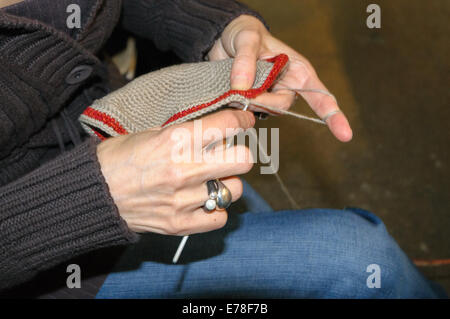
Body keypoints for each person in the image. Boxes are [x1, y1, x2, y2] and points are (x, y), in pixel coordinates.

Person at [0, 0, 444, 298]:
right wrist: (91, 200)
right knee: (361, 258)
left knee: (259, 222)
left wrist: (221, 27)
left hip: (128, 142)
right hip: (48, 257)